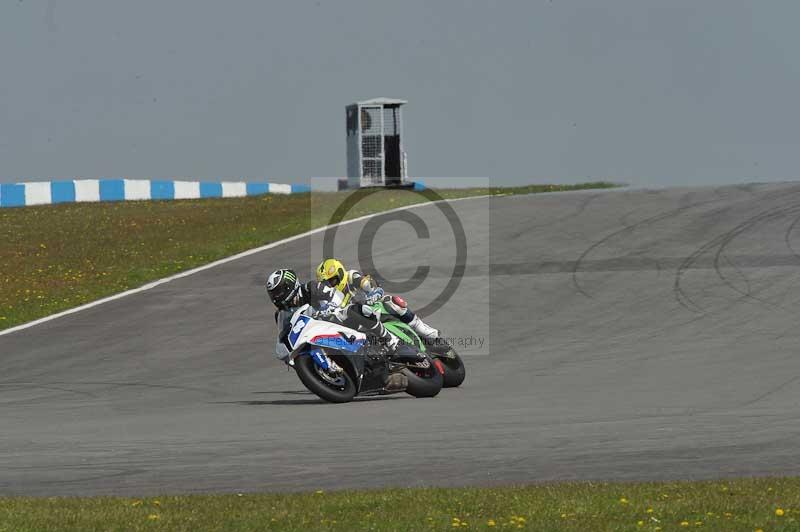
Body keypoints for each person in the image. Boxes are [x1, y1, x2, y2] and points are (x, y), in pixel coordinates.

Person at [265, 268, 399, 359]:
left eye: (278, 292)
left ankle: (389, 339)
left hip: (335, 319)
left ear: (289, 286)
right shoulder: (281, 314)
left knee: (355, 310)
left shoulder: (311, 288)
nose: (276, 297)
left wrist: (328, 310)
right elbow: (285, 335)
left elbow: (337, 299)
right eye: (273, 294)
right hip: (318, 336)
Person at [315, 258, 440, 341]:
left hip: (373, 310)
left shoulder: (351, 276)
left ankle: (423, 329)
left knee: (392, 301)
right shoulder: (327, 297)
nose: (331, 284)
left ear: (340, 272)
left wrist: (373, 293)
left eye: (333, 280)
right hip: (355, 327)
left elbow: (369, 283)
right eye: (327, 283)